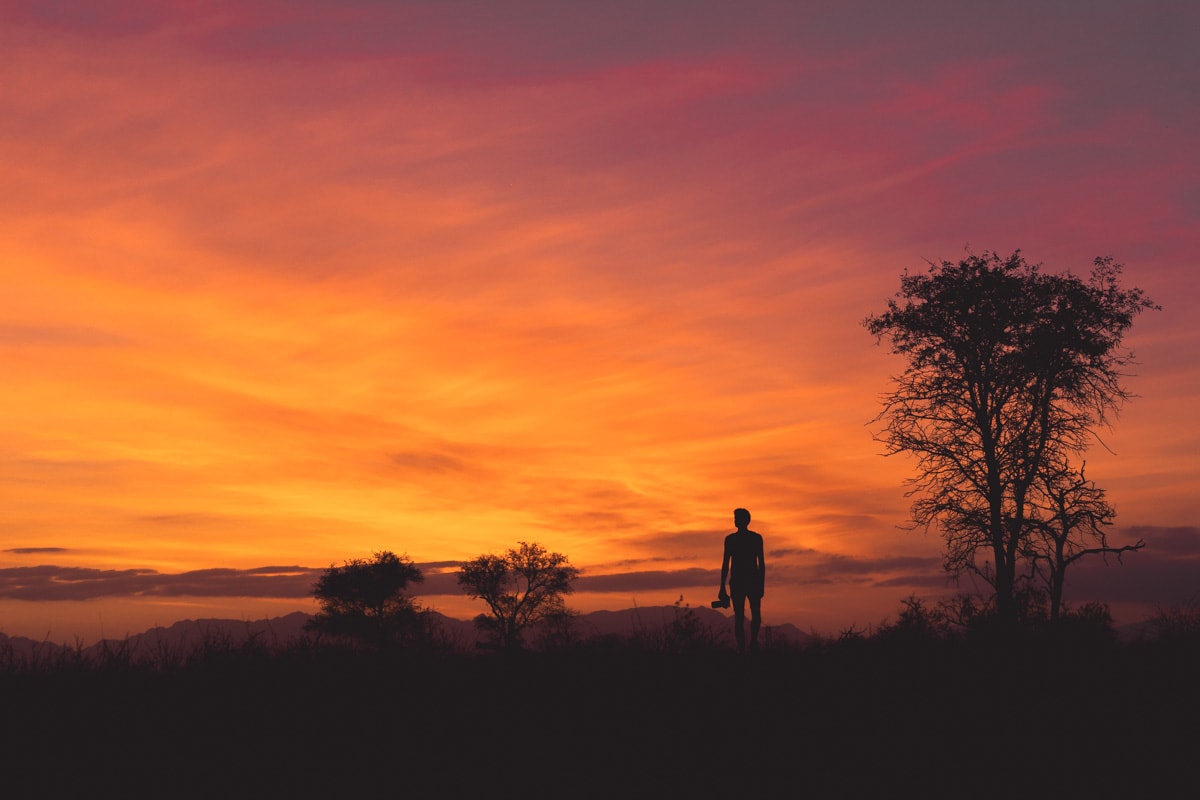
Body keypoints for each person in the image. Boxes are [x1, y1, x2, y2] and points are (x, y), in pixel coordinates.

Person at [719, 507, 765, 653]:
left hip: (748, 580)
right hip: (740, 581)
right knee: (741, 615)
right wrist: (722, 587)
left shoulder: (755, 538)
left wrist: (761, 585)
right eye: (735, 518)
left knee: (752, 613)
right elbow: (725, 564)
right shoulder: (731, 540)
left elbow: (761, 563)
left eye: (737, 518)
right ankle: (743, 646)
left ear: (744, 521)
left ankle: (751, 642)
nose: (735, 520)